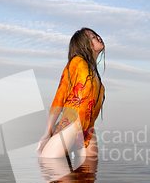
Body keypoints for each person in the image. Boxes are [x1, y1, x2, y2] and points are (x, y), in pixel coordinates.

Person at [36, 28, 105, 158]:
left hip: (87, 134)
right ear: (83, 43)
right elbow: (59, 99)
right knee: (50, 170)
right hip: (70, 127)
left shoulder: (97, 79)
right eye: (93, 37)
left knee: (88, 178)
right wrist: (47, 134)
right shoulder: (77, 62)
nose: (98, 37)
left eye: (96, 34)